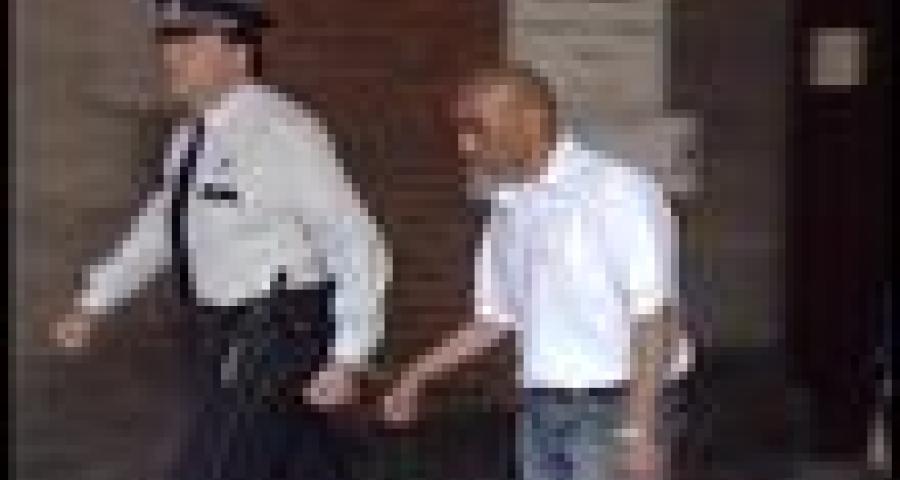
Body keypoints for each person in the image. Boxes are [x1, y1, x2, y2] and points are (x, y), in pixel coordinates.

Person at [49, 1, 391, 478]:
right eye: (168, 41)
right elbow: (162, 227)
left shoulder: (281, 131)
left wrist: (350, 354)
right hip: (216, 332)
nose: (172, 55)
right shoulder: (190, 136)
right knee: (299, 464)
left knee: (213, 465)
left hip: (272, 333)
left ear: (238, 54)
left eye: (189, 42)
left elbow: (354, 239)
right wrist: (94, 301)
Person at [379, 65, 684, 480]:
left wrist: (639, 431)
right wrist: (416, 375)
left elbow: (654, 317)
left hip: (614, 408)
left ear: (532, 119)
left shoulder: (618, 192)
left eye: (477, 128)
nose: (465, 146)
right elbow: (493, 318)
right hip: (540, 406)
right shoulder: (508, 204)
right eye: (459, 131)